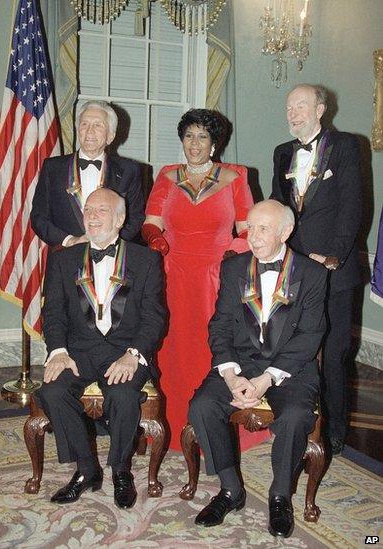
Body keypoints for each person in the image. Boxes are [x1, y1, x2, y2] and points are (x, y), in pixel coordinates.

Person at [188, 200, 327, 538]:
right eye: (251, 227)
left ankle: (280, 495)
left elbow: (310, 336)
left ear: (286, 232)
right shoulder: (234, 268)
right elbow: (219, 325)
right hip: (242, 361)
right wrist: (231, 374)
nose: (253, 236)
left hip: (290, 367)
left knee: (295, 416)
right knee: (201, 406)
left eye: (264, 228)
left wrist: (266, 379)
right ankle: (230, 489)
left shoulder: (312, 274)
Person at [36, 188, 166, 508]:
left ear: (120, 219)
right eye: (88, 210)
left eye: (101, 211)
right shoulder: (63, 260)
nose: (92, 216)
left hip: (126, 350)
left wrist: (133, 355)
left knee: (122, 394)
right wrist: (58, 352)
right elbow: (52, 314)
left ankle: (121, 469)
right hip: (78, 350)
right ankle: (86, 468)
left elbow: (154, 318)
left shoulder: (145, 260)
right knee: (52, 390)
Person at [142, 108, 254, 449]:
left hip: (217, 277)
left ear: (214, 143)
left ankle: (215, 428)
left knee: (213, 348)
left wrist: (232, 254)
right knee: (173, 351)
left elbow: (249, 230)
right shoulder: (167, 176)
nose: (195, 144)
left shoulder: (235, 178)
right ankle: (172, 427)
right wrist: (155, 239)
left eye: (202, 137)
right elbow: (151, 222)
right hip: (173, 274)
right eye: (189, 136)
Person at [271, 84, 362, 455]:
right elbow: (281, 207)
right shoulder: (282, 152)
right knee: (292, 345)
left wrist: (333, 255)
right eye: (289, 107)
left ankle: (335, 428)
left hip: (333, 269)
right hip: (295, 270)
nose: (293, 114)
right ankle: (293, 418)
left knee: (335, 352)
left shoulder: (345, 147)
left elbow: (352, 206)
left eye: (301, 106)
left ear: (321, 109)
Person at [31, 100, 145, 246]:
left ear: (110, 136)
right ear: (78, 130)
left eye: (98, 125)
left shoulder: (129, 170)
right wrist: (69, 241)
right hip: (64, 259)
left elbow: (136, 218)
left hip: (113, 258)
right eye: (84, 124)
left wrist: (109, 243)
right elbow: (38, 217)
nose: (90, 131)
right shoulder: (52, 168)